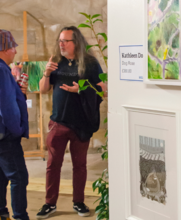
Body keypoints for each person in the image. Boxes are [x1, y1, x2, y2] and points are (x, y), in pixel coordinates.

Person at [36, 26, 105, 219]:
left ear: (77, 43)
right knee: (53, 165)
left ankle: (79, 202)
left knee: (79, 165)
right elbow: (43, 90)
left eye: (65, 41)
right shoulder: (56, 62)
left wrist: (82, 90)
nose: (61, 44)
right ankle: (50, 204)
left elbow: (103, 89)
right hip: (58, 122)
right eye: (60, 40)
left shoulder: (90, 63)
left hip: (81, 124)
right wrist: (46, 73)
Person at [0, 30, 30, 220]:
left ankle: (2, 213)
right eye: (13, 47)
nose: (15, 52)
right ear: (4, 48)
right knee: (19, 177)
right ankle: (20, 216)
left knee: (2, 176)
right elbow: (7, 106)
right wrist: (17, 129)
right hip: (6, 135)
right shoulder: (2, 69)